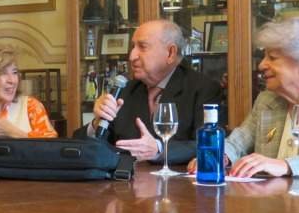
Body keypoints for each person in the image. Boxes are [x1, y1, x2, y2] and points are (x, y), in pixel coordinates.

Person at [188, 17, 299, 178]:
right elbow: (238, 142)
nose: (261, 65)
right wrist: (218, 156)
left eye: (272, 58)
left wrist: (286, 165)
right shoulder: (267, 100)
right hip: (272, 204)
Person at [73, 19, 223, 164]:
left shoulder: (203, 89)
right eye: (133, 47)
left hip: (178, 186)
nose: (132, 56)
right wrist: (97, 122)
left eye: (142, 47)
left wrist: (159, 149)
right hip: (123, 185)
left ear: (170, 53)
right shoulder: (125, 91)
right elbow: (79, 149)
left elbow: (209, 145)